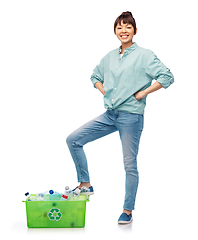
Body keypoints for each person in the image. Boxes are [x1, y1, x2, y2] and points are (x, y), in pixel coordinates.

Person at [66, 11, 174, 224]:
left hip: (131, 116)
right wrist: (103, 90)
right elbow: (95, 76)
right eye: (119, 27)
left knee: (129, 164)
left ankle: (127, 211)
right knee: (74, 139)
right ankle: (85, 184)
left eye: (128, 27)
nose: (123, 31)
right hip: (110, 115)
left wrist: (143, 93)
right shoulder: (109, 57)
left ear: (134, 30)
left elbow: (167, 76)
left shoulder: (145, 55)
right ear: (115, 31)